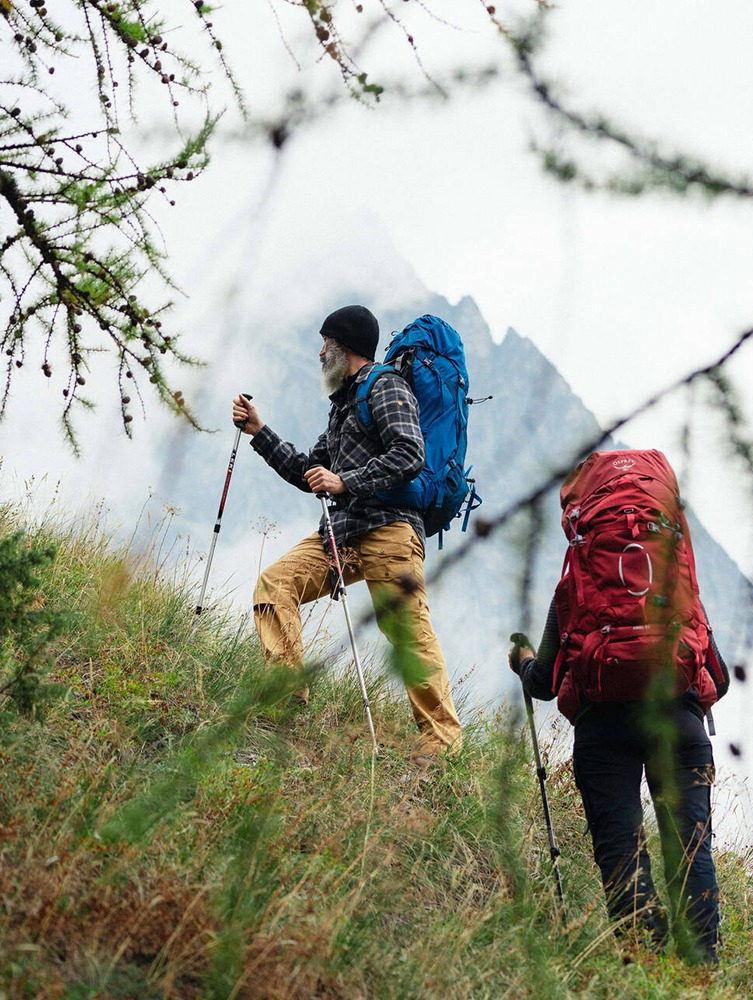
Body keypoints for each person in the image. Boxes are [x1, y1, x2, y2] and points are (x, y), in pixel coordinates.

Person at [508, 451, 721, 965]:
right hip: (678, 719)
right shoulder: (675, 572)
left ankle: (644, 967)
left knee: (621, 850)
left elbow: (543, 682)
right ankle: (700, 976)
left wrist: (522, 659)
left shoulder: (577, 579)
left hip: (602, 730)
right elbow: (720, 673)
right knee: (690, 851)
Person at [232, 304, 462, 762]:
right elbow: (308, 471)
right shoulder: (343, 405)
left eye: (325, 344)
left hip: (390, 532)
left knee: (409, 635)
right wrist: (259, 431)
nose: (319, 353)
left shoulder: (387, 386)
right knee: (275, 584)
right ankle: (286, 706)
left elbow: (409, 453)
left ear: (344, 347)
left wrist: (346, 482)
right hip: (343, 532)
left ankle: (442, 747)